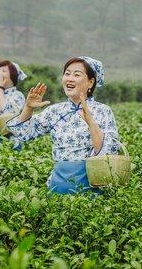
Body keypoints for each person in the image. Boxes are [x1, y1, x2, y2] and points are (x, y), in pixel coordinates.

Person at [7, 56, 119, 194]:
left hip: (90, 188)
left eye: (77, 74)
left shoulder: (102, 111)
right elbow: (24, 133)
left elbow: (108, 153)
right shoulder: (55, 111)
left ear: (90, 82)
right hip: (57, 185)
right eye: (67, 73)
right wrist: (28, 108)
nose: (70, 78)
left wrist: (90, 121)